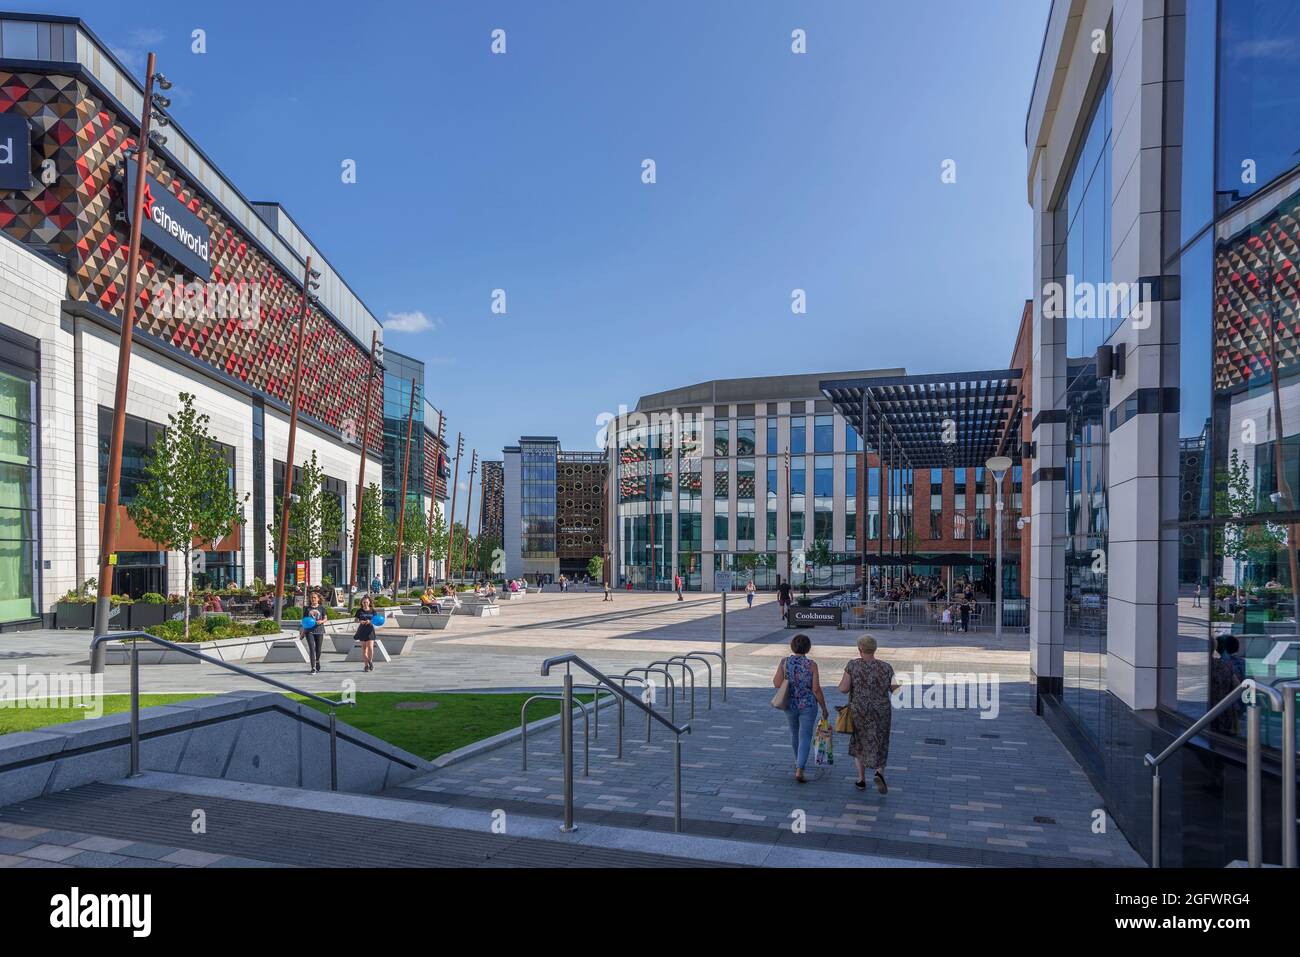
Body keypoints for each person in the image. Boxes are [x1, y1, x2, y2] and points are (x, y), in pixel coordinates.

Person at [838, 634, 898, 793]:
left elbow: (843, 689)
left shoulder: (852, 666)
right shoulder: (886, 667)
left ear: (860, 649)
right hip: (881, 711)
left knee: (860, 742)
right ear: (875, 649)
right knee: (881, 741)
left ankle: (861, 779)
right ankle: (879, 771)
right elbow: (896, 690)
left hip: (859, 711)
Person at [773, 633, 828, 783]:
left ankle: (798, 762)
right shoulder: (812, 665)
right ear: (808, 648)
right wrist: (824, 707)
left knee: (794, 733)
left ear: (792, 646)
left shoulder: (784, 662)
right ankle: (800, 768)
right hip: (808, 705)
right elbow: (816, 689)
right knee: (805, 736)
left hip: (790, 703)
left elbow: (777, 684)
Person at [302, 590, 326, 674]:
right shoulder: (307, 608)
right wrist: (302, 632)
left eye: (314, 597)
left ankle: (317, 661)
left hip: (319, 630)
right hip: (309, 631)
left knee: (318, 649)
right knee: (312, 649)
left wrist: (321, 621)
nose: (313, 599)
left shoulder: (322, 608)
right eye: (311, 598)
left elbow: (325, 618)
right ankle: (313, 668)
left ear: (318, 599)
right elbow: (304, 621)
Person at [355, 594, 379, 673]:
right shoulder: (359, 611)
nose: (365, 603)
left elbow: (377, 621)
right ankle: (366, 665)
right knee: (364, 649)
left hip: (370, 630)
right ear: (362, 603)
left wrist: (370, 621)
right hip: (362, 630)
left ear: (369, 602)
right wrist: (360, 621)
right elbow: (355, 620)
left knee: (371, 648)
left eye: (367, 602)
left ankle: (370, 661)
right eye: (364, 602)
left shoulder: (373, 611)